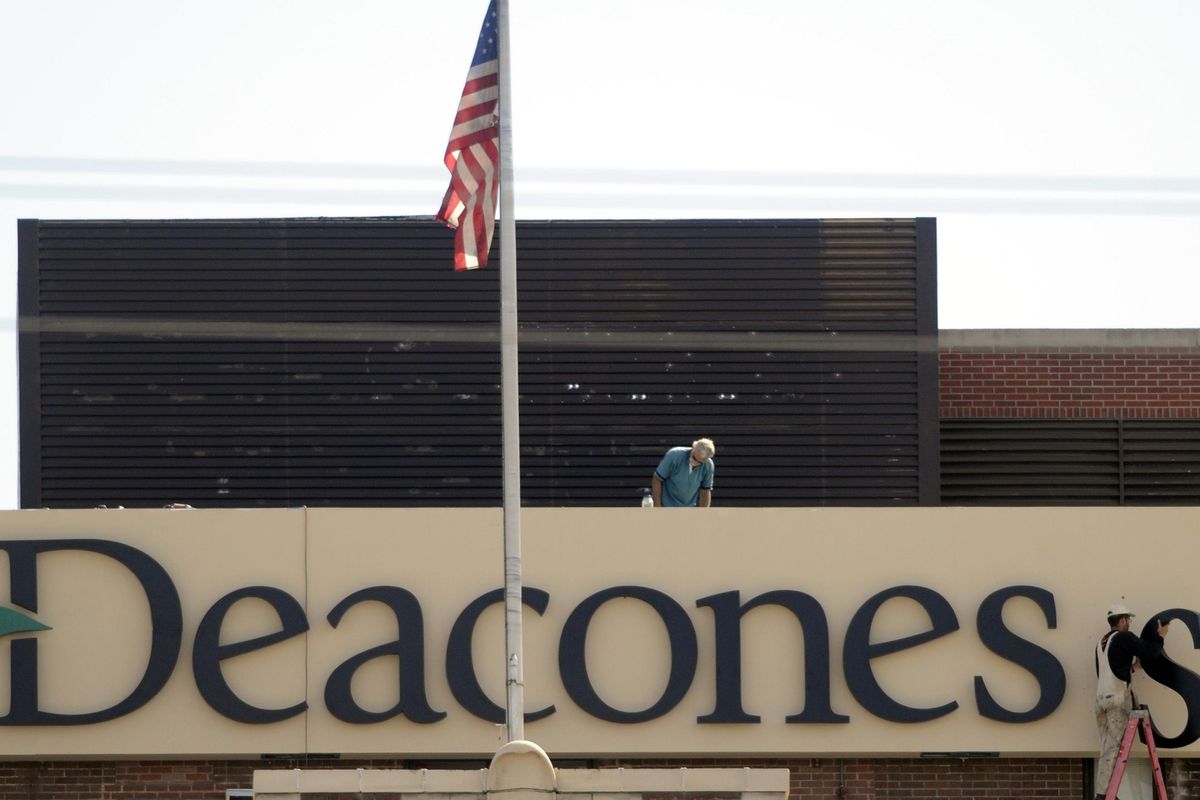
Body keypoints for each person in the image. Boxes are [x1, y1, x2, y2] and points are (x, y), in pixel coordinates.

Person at [1093, 603, 1169, 800]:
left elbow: (1112, 669)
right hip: (1117, 700)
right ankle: (1102, 797)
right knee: (1114, 749)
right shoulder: (1124, 637)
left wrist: (1133, 668)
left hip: (1101, 700)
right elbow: (1150, 652)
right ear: (1122, 620)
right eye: (1128, 619)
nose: (1130, 623)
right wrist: (1160, 636)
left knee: (1107, 748)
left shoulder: (1102, 642)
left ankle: (1106, 792)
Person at [652, 438, 715, 507]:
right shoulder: (674, 455)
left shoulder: (708, 465)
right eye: (694, 458)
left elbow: (705, 490)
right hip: (667, 506)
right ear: (693, 448)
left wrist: (704, 514)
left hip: (689, 509)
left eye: (700, 462)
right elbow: (657, 479)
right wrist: (657, 507)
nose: (695, 462)